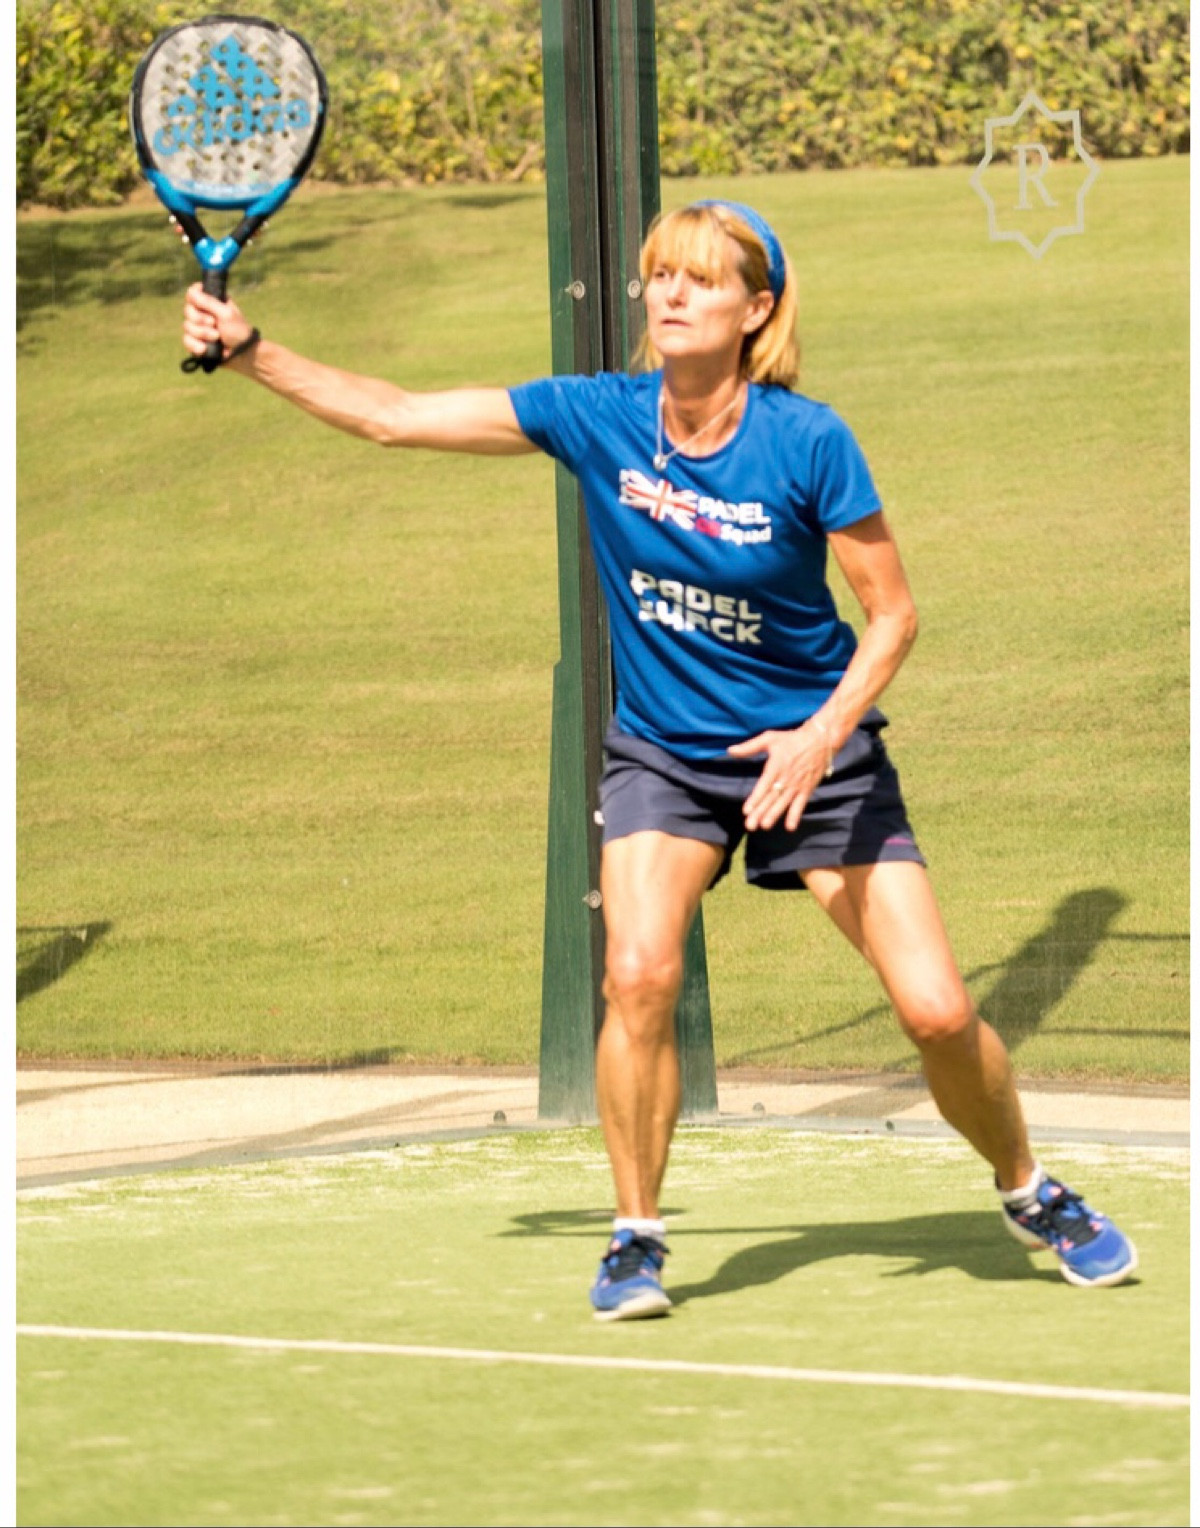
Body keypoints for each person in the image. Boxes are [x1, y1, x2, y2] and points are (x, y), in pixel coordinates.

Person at [182, 198, 1136, 1318]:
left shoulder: (808, 440)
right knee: (637, 975)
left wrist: (820, 735)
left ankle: (1027, 1188)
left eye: (701, 279)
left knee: (933, 1010)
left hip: (813, 750)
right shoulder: (598, 416)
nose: (671, 294)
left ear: (757, 309)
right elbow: (394, 415)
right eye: (659, 275)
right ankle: (635, 1234)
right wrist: (253, 352)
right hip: (666, 756)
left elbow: (894, 616)